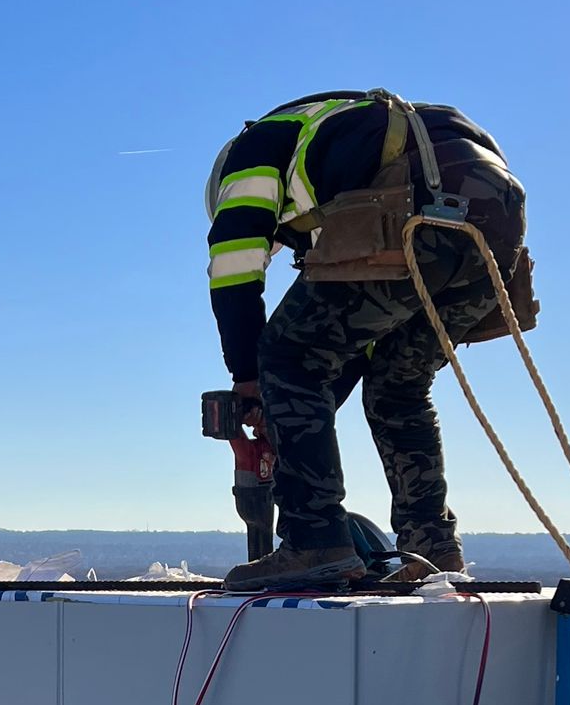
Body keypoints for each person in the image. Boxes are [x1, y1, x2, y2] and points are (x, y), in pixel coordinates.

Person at [205, 90, 534, 591]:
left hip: (408, 213)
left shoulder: (254, 151)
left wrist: (251, 377)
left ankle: (314, 542)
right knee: (397, 388)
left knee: (285, 354)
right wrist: (288, 409)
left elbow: (234, 265)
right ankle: (432, 546)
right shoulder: (352, 137)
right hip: (492, 240)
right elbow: (354, 337)